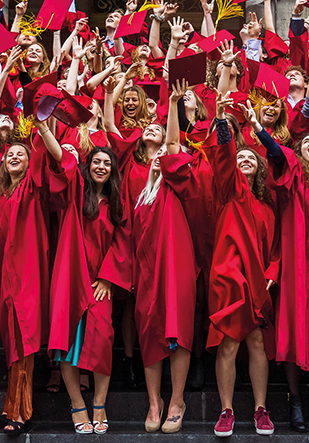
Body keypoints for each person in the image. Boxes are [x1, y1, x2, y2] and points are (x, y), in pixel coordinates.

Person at [38, 121, 132, 435]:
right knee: (66, 344)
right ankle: (78, 404)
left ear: (113, 169)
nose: (101, 166)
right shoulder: (76, 193)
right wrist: (44, 129)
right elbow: (62, 162)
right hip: (70, 277)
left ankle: (100, 404)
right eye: (96, 162)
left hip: (99, 282)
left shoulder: (117, 202)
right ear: (88, 166)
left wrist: (108, 278)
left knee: (103, 341)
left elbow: (123, 240)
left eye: (107, 163)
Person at [128, 83, 210, 434]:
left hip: (177, 268)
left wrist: (174, 106)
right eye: (157, 151)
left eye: (167, 149)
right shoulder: (140, 195)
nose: (163, 154)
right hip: (147, 271)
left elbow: (175, 145)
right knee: (149, 332)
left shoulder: (181, 183)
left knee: (178, 330)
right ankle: (154, 401)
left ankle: (176, 399)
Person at [256, 120, 309, 432]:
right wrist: (258, 128)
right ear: (300, 154)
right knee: (292, 331)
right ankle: (295, 402)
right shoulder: (293, 180)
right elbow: (277, 157)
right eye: (306, 143)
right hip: (294, 268)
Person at [202, 93, 280, 437]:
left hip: (258, 282)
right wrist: (222, 120)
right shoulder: (229, 190)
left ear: (260, 167)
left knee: (258, 344)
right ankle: (227, 410)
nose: (244, 159)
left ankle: (261, 409)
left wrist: (272, 276)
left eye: (251, 157)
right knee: (228, 343)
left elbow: (275, 250)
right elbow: (223, 156)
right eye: (240, 157)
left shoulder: (266, 204)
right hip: (229, 280)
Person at [0, 134, 52, 436]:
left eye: (21, 155)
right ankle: (11, 406)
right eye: (10, 154)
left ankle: (23, 411)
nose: (14, 157)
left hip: (28, 274)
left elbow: (42, 158)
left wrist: (39, 126)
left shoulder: (33, 187)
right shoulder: (4, 195)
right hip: (6, 276)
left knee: (24, 339)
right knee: (12, 341)